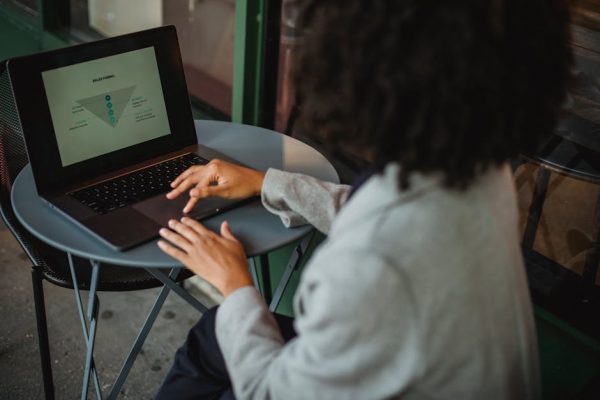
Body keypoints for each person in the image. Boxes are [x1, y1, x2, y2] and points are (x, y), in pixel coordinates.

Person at [155, 0, 572, 398]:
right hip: (425, 361)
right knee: (213, 334)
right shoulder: (477, 163)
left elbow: (269, 392)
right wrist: (267, 183)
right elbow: (382, 214)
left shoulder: (369, 268)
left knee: (217, 339)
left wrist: (235, 284)